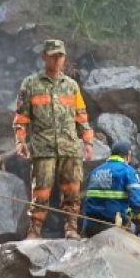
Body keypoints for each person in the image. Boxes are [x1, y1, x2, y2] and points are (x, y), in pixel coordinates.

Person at [12, 39, 93, 240]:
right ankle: (34, 230)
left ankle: (71, 228)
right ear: (44, 57)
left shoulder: (72, 86)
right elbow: (21, 117)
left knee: (72, 189)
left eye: (60, 56)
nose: (57, 60)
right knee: (41, 190)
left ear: (64, 58)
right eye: (53, 56)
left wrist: (88, 142)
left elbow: (81, 116)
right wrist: (20, 141)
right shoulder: (31, 84)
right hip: (43, 147)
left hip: (69, 147)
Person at [82, 139, 140, 239]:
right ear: (128, 155)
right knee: (135, 230)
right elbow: (138, 204)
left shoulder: (95, 171)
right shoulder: (128, 171)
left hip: (90, 226)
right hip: (112, 226)